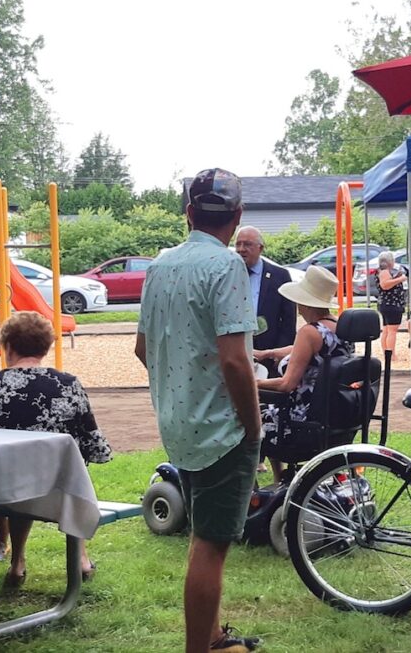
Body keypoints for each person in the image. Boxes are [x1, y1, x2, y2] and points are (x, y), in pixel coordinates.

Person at [134, 168, 262, 653]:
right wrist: (252, 427)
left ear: (188, 213)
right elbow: (235, 359)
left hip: (179, 424)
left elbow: (143, 349)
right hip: (221, 430)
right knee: (211, 545)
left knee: (201, 535)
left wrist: (178, 391)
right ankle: (199, 649)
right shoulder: (227, 266)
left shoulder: (159, 265)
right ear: (237, 216)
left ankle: (210, 636)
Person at [0, 311, 111, 587]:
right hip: (57, 488)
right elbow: (92, 441)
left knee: (24, 473)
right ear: (45, 347)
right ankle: (80, 556)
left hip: (1, 490)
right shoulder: (67, 384)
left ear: (7, 346)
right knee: (72, 470)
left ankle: (18, 560)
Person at [257, 266, 352, 485]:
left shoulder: (309, 332)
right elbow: (305, 351)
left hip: (302, 419)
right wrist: (269, 353)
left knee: (250, 417)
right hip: (334, 413)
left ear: (305, 302)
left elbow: (286, 385)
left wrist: (254, 383)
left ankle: (274, 479)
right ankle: (280, 479)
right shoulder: (340, 329)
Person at [236, 226, 297, 374]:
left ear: (260, 248)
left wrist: (278, 353)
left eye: (248, 244)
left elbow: (289, 319)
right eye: (238, 244)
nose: (241, 249)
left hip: (269, 352)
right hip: (236, 348)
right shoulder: (227, 274)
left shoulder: (280, 276)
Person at [375, 251, 407, 353]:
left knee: (386, 330)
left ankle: (387, 352)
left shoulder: (382, 271)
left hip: (386, 304)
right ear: (389, 262)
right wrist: (401, 279)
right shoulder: (384, 271)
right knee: (392, 331)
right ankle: (391, 354)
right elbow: (385, 285)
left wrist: (397, 277)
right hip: (392, 304)